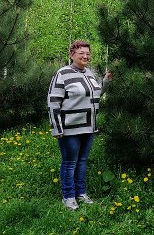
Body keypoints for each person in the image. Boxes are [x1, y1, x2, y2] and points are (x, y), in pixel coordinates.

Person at [47, 40, 112, 210]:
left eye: (88, 53)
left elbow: (95, 95)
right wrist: (56, 127)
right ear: (72, 55)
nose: (85, 56)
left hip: (89, 127)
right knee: (69, 162)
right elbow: (53, 101)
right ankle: (68, 196)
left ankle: (81, 193)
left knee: (82, 161)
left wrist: (105, 82)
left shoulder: (89, 73)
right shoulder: (62, 74)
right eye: (81, 52)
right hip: (69, 128)